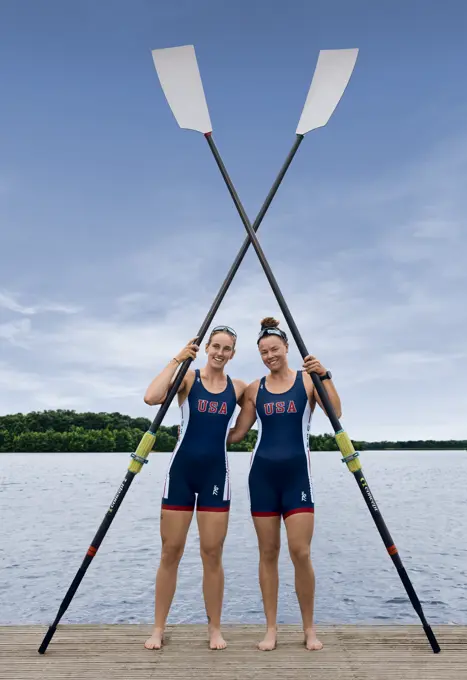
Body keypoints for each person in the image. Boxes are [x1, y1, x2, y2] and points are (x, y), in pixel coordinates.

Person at [227, 317, 342, 652]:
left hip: (297, 479)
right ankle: (271, 629)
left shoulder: (307, 382)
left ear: (287, 348)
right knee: (268, 553)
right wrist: (203, 431)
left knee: (300, 551)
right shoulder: (254, 389)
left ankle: (309, 629)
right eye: (264, 352)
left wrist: (325, 375)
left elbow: (336, 411)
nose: (269, 356)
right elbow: (237, 433)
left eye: (274, 349)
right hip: (261, 477)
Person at [143, 325, 247, 651]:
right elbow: (152, 396)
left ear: (233, 353)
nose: (219, 352)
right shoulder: (188, 379)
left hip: (216, 476)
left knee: (212, 554)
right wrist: (177, 358)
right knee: (170, 552)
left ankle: (215, 629)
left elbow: (248, 421)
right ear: (205, 349)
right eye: (214, 346)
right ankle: (158, 628)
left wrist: (235, 434)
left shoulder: (240, 388)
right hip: (182, 475)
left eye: (226, 348)